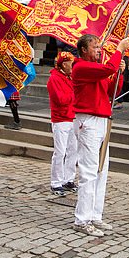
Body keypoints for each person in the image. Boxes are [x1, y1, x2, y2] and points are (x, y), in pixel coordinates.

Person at [71, 34, 126, 237]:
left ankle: (95, 214)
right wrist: (119, 49)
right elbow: (108, 69)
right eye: (95, 47)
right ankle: (82, 218)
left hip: (101, 120)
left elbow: (111, 91)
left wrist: (119, 74)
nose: (98, 50)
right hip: (89, 121)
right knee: (89, 171)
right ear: (84, 50)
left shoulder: (95, 71)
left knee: (101, 171)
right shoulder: (80, 67)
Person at [47, 50, 78, 196]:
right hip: (61, 119)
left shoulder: (70, 77)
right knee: (60, 152)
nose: (73, 66)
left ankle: (68, 179)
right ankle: (56, 182)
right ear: (64, 64)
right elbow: (60, 100)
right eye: (71, 63)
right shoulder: (54, 79)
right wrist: (75, 96)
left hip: (72, 117)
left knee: (73, 151)